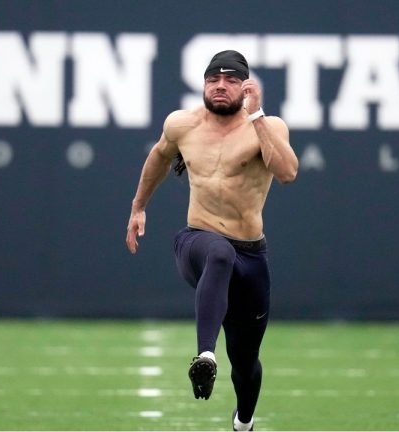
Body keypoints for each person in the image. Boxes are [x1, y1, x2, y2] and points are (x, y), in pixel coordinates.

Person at [125, 50, 298, 431]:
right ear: (203, 84)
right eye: (213, 80)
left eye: (231, 80)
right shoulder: (182, 124)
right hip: (198, 242)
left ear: (246, 86)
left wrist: (257, 116)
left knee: (246, 359)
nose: (221, 86)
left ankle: (244, 421)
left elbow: (287, 172)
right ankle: (205, 354)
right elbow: (157, 157)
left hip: (250, 255)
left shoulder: (265, 126)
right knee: (218, 251)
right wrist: (138, 207)